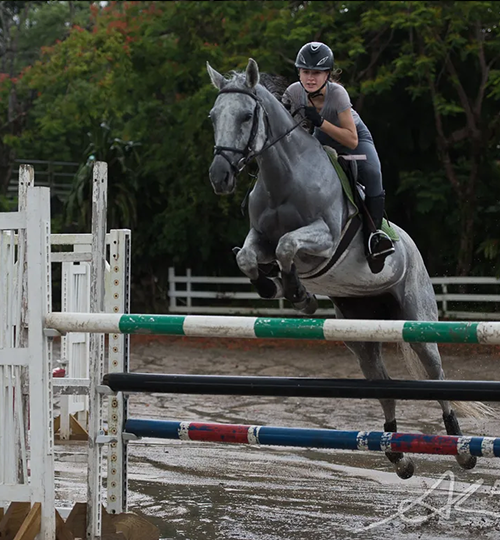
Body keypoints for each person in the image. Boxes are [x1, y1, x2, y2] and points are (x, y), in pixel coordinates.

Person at [281, 41, 395, 273]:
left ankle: (375, 237)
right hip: (319, 138)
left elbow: (351, 140)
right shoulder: (293, 92)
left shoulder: (338, 94)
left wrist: (320, 122)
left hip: (354, 137)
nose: (310, 78)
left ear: (327, 75)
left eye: (316, 73)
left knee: (372, 172)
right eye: (305, 72)